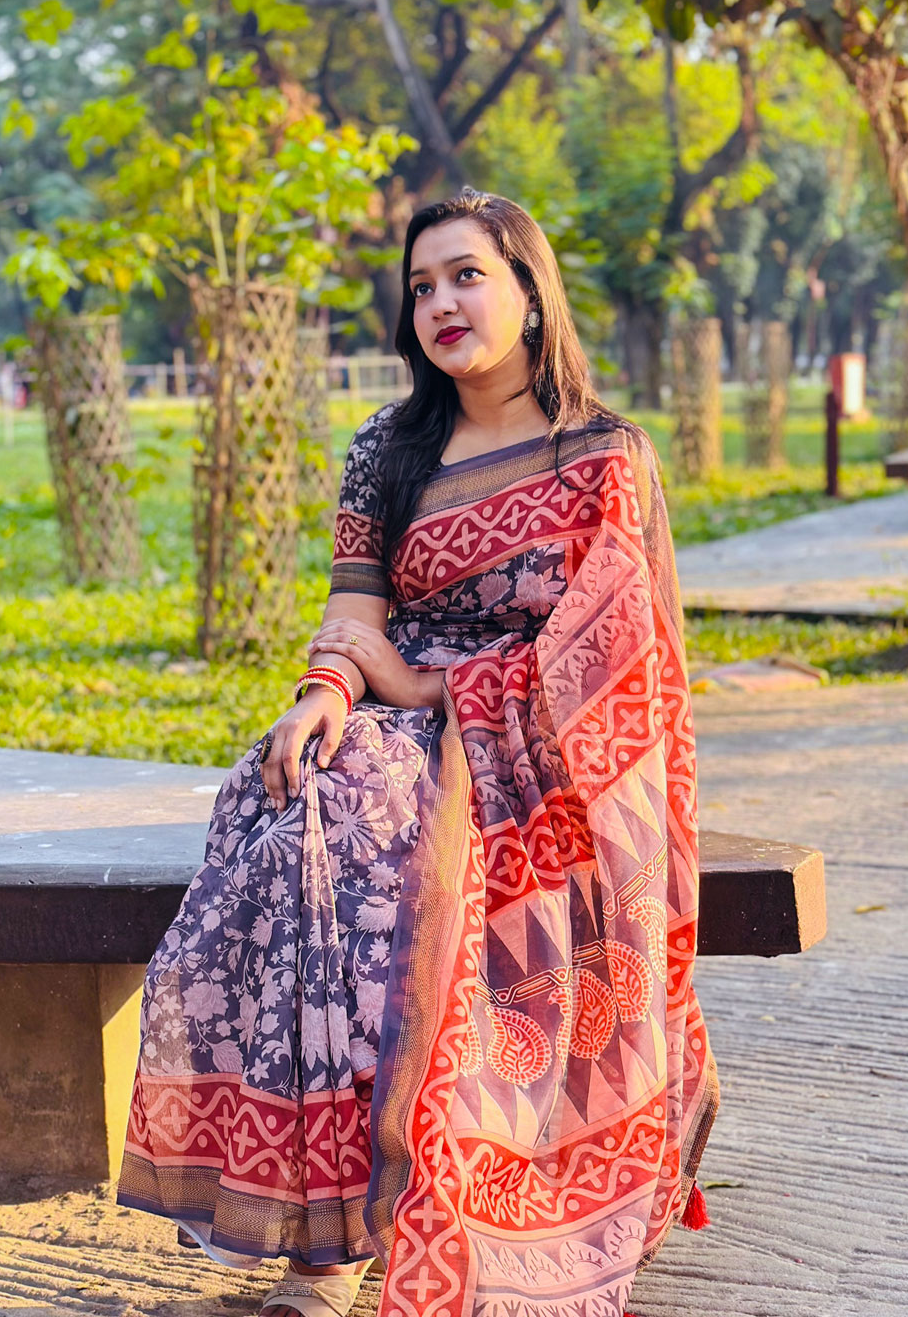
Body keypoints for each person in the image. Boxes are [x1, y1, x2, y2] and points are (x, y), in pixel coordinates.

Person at [117, 188, 719, 1317]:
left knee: (356, 840)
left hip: (542, 764)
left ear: (530, 292)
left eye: (466, 276)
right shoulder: (386, 451)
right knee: (288, 802)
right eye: (421, 285)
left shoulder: (604, 457)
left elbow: (617, 668)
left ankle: (349, 1237)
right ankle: (323, 1223)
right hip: (392, 725)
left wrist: (433, 689)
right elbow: (355, 608)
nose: (440, 302)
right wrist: (323, 693)